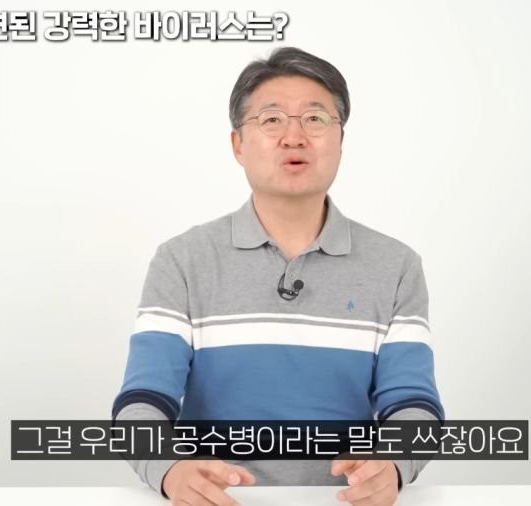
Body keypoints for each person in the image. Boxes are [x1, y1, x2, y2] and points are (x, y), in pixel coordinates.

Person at [112, 47, 444, 506]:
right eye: (271, 120)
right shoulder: (182, 260)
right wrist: (169, 469)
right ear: (238, 144)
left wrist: (392, 464)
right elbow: (142, 402)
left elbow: (413, 405)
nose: (294, 137)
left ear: (341, 140)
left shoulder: (396, 265)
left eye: (315, 119)